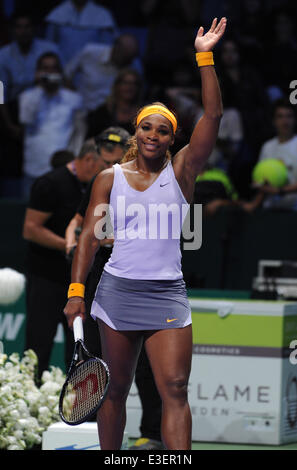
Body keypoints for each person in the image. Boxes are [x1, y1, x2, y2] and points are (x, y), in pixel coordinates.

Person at [64, 17, 227, 450]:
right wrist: (77, 292)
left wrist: (204, 57)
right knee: (113, 391)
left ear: (173, 140)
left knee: (174, 389)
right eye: (147, 127)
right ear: (136, 131)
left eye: (164, 130)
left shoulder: (183, 171)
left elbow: (214, 114)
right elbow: (89, 239)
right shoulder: (108, 178)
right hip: (116, 294)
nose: (154, 134)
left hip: (167, 294)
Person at [65, 127, 164, 449]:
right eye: (105, 145)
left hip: (147, 277)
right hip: (102, 274)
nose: (112, 151)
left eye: (118, 146)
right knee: (99, 360)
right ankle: (94, 433)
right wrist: (73, 241)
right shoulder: (105, 179)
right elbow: (81, 224)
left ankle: (152, 433)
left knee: (149, 365)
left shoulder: (153, 182)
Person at [22, 139, 101, 380]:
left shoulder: (95, 187)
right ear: (88, 160)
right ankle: (28, 407)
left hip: (80, 285)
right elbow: (31, 229)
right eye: (102, 165)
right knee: (38, 347)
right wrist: (69, 246)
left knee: (79, 351)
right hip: (47, 279)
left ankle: (78, 411)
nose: (104, 172)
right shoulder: (50, 184)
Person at [0, 11, 61, 198]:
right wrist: (9, 125)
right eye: (19, 27)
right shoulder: (4, 54)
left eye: (27, 27)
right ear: (13, 30)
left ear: (33, 30)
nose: (23, 31)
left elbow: (62, 78)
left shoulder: (48, 48)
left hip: (46, 102)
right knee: (12, 160)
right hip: (14, 107)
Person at [19, 52, 86, 199]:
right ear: (38, 72)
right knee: (28, 215)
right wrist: (40, 87)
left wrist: (74, 160)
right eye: (45, 68)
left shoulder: (74, 99)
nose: (49, 72)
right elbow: (26, 119)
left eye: (53, 68)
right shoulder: (27, 97)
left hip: (63, 168)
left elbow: (79, 134)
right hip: (34, 166)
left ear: (60, 72)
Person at [240, 99, 297, 212]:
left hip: (294, 211)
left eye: (289, 116)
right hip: (270, 210)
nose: (285, 121)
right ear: (274, 121)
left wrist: (280, 191)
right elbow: (263, 180)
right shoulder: (267, 146)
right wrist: (254, 204)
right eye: (280, 116)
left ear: (294, 120)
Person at [64, 34, 142, 112]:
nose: (128, 62)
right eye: (126, 58)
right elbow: (66, 74)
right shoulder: (90, 52)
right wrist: (74, 98)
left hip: (113, 115)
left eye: (130, 59)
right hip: (84, 110)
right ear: (116, 49)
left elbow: (138, 92)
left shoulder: (134, 64)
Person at [45, 0, 117, 63]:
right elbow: (50, 45)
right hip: (62, 65)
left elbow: (107, 48)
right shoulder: (58, 13)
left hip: (93, 69)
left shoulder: (102, 15)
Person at [87, 68, 143, 138]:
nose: (129, 87)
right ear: (117, 86)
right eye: (125, 83)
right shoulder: (102, 113)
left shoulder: (143, 117)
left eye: (134, 84)